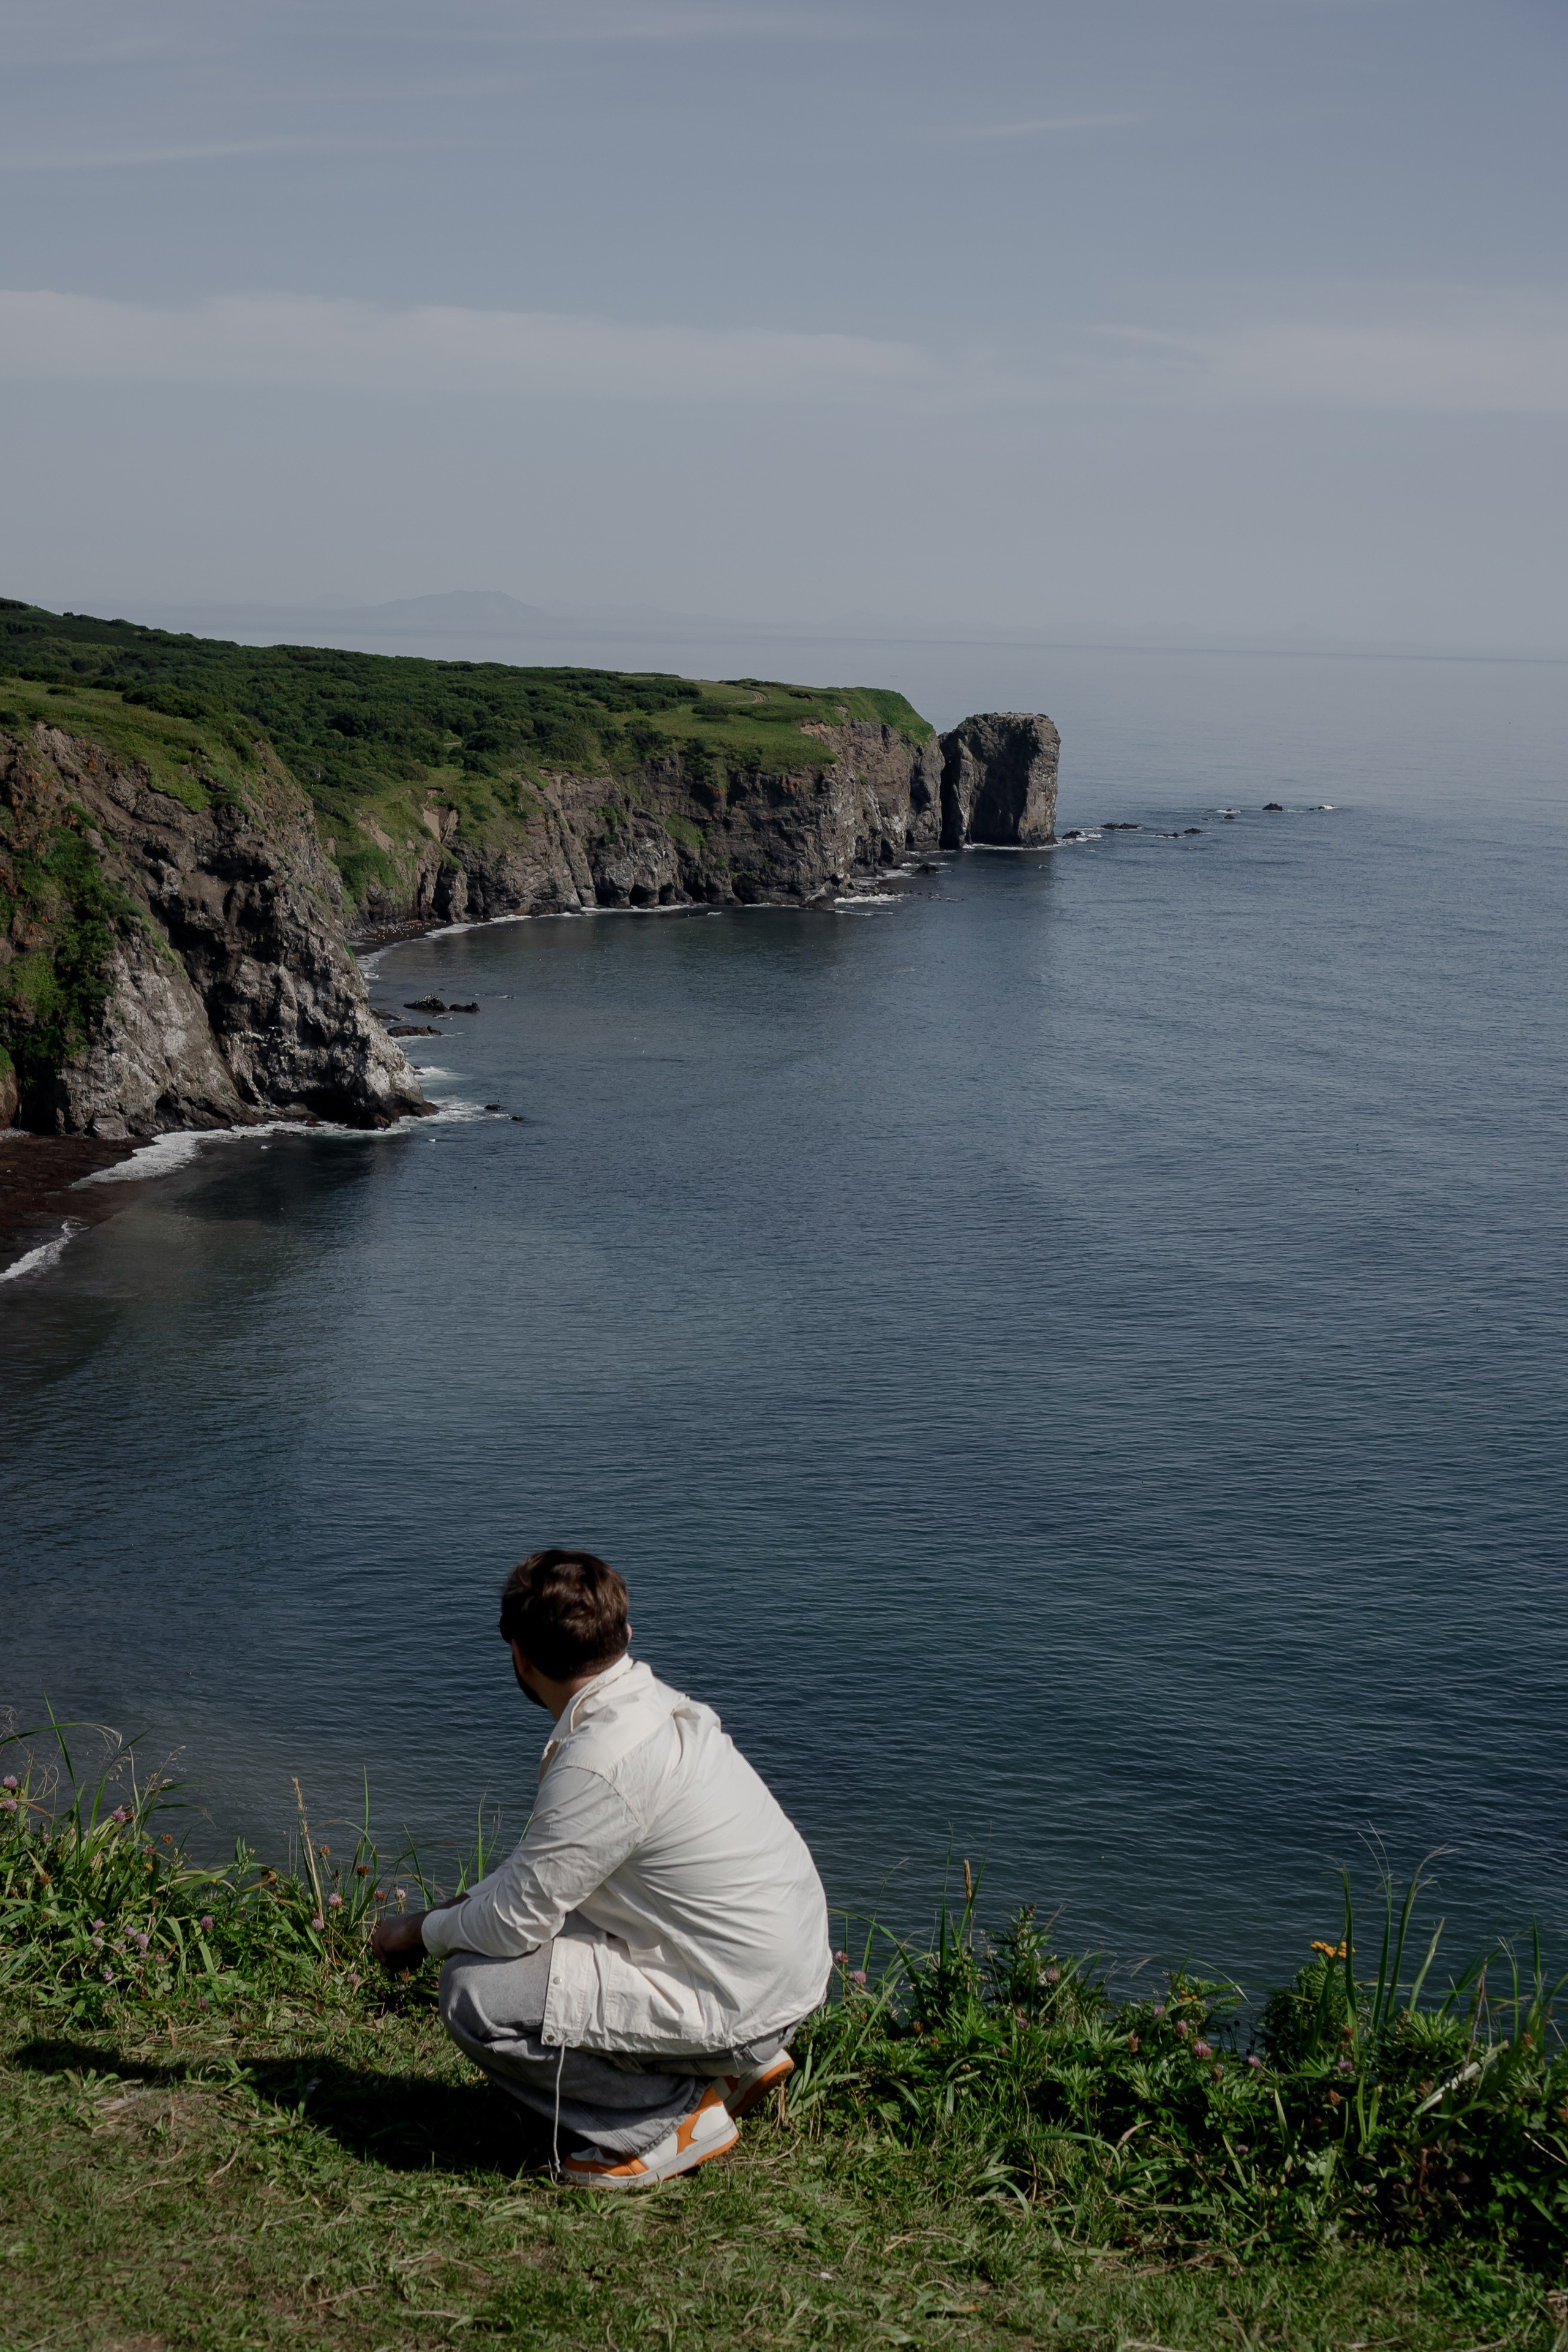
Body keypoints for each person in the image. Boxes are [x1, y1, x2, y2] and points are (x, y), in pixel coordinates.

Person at [371, 1547, 832, 2188]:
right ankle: (725, 2070)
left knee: (474, 1993)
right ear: (626, 1636)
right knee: (537, 1930)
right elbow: (540, 1883)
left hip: (740, 2000)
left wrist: (417, 1933)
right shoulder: (656, 1709)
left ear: (520, 1657)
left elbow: (511, 1925)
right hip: (779, 1970)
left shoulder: (599, 1760)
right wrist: (448, 1912)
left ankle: (664, 2122)